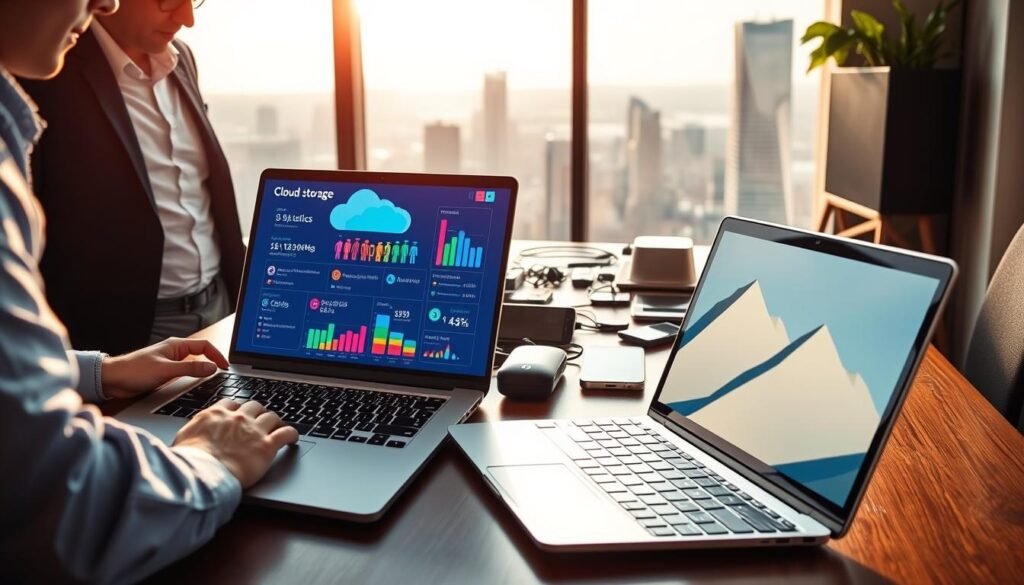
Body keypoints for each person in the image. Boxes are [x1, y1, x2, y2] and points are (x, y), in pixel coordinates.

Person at [0, 1, 299, 582]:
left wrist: (95, 372)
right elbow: (52, 497)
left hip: (209, 313)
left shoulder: (180, 61)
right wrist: (210, 461)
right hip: (129, 318)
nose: (185, 16)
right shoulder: (48, 77)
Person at [19, 0, 245, 356]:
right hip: (121, 335)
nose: (187, 19)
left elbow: (200, 192)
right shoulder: (44, 67)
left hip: (220, 308)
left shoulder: (180, 57)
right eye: (169, 1)